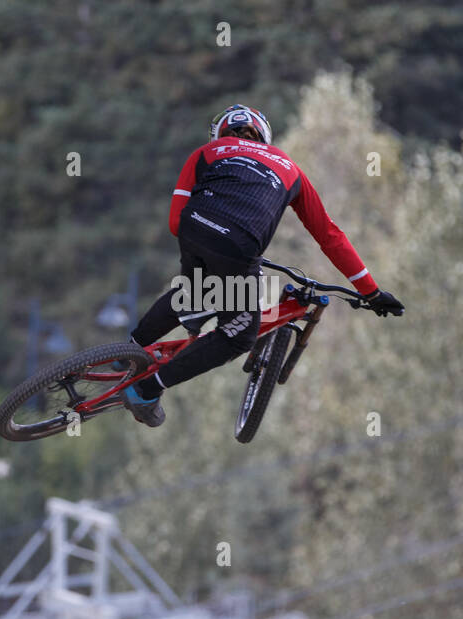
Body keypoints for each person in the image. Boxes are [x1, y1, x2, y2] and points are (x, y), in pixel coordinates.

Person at [121, 103, 403, 427]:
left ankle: (125, 354)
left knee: (195, 290)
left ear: (220, 132)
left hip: (193, 228)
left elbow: (175, 221)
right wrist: (371, 291)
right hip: (238, 247)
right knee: (237, 337)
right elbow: (330, 236)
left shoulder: (207, 152)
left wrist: (207, 239)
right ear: (264, 135)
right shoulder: (290, 169)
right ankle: (146, 389)